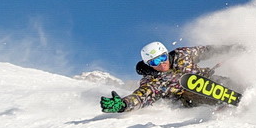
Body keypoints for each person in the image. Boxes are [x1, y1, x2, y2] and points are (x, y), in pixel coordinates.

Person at [99, 41, 239, 113]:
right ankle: (222, 103)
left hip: (210, 80)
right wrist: (123, 105)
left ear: (167, 53)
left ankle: (245, 93)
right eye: (155, 62)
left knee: (224, 81)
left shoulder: (183, 55)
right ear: (148, 64)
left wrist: (231, 48)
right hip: (188, 98)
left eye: (163, 58)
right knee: (190, 87)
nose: (162, 64)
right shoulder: (153, 82)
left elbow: (207, 51)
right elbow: (142, 96)